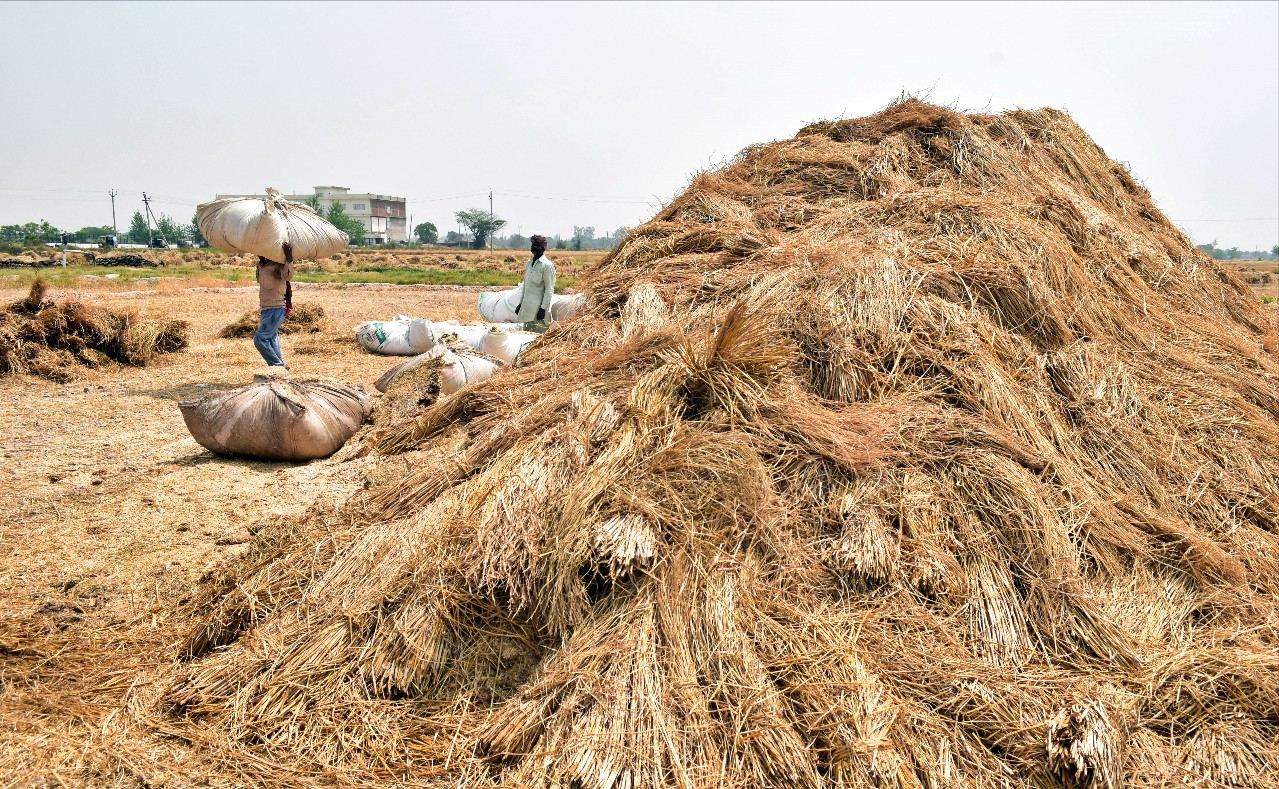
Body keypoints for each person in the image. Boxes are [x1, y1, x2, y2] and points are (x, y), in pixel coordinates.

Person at [254, 241, 294, 369]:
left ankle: (278, 366)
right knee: (271, 338)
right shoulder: (262, 265)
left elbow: (288, 276)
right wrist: (261, 260)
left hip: (276, 308)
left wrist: (289, 258)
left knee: (260, 339)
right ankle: (280, 367)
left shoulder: (279, 265)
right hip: (265, 308)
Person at [515, 234, 556, 332]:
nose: (535, 248)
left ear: (543, 248)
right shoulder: (529, 264)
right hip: (527, 309)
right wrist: (521, 304)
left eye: (537, 245)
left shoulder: (547, 266)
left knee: (537, 339)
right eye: (533, 245)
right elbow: (526, 286)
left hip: (538, 312)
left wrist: (543, 309)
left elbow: (549, 289)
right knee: (526, 337)